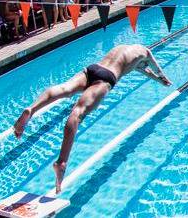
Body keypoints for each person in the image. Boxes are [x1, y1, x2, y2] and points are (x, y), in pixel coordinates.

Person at [13, 44, 171, 193]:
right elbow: (154, 65)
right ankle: (62, 162)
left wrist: (157, 80)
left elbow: (143, 69)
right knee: (78, 112)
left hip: (93, 69)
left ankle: (32, 109)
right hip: (107, 78)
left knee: (65, 88)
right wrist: (163, 77)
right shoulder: (145, 51)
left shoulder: (125, 49)